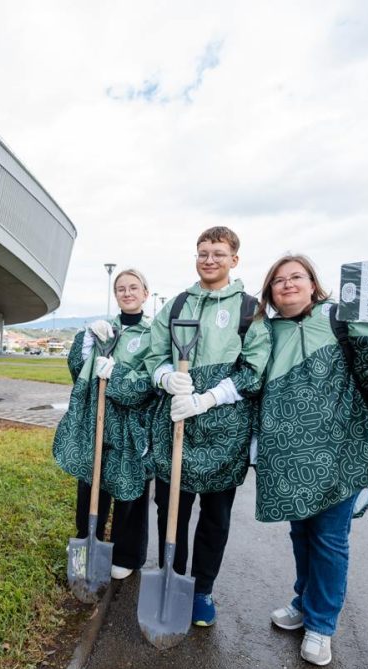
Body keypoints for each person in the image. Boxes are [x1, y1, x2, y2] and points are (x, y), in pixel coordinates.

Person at [253, 254, 368, 666]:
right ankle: (303, 601)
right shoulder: (263, 333)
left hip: (341, 451)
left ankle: (321, 625)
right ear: (269, 292)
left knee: (329, 538)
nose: (287, 284)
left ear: (312, 283)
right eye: (278, 280)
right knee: (301, 534)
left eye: (296, 277)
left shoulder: (340, 318)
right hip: (286, 457)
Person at [144, 226, 268, 626]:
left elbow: (254, 371)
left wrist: (209, 397)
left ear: (234, 259)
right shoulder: (178, 304)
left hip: (224, 432)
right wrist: (166, 377)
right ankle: (171, 576)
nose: (208, 260)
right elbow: (154, 353)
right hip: (175, 425)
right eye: (202, 253)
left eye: (217, 253)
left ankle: (201, 591)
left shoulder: (250, 309)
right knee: (170, 510)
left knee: (215, 517)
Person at [52, 268, 158, 580]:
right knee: (91, 482)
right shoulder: (105, 330)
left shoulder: (153, 334)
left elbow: (151, 378)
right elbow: (79, 369)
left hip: (131, 423)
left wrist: (119, 375)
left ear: (145, 293)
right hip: (98, 420)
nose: (127, 293)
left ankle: (127, 554)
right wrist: (86, 339)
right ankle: (89, 540)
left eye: (133, 288)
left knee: (130, 488)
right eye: (121, 289)